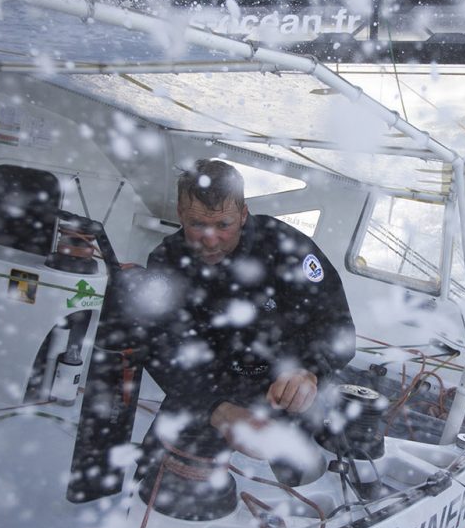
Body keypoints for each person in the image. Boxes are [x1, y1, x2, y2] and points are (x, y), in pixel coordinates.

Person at [138, 159, 356, 464]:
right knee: (153, 482)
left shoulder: (287, 248)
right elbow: (159, 347)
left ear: (243, 214)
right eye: (196, 224)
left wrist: (309, 370)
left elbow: (337, 326)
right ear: (180, 215)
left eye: (223, 225)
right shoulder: (167, 260)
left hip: (283, 389)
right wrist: (218, 410)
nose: (209, 239)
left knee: (301, 487)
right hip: (205, 389)